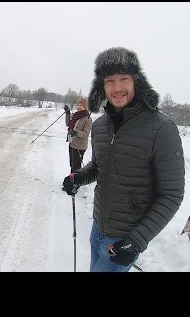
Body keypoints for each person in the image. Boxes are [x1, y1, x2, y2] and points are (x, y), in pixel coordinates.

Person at [62, 47, 185, 272]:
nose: (117, 88)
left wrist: (137, 240)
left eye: (124, 79)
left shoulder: (161, 128)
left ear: (136, 81)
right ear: (102, 85)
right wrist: (79, 176)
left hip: (124, 240)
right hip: (97, 229)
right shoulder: (100, 126)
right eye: (110, 80)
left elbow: (171, 195)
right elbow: (98, 166)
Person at [64, 97, 92, 173]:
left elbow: (86, 134)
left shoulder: (87, 118)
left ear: (85, 107)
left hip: (79, 146)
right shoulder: (76, 115)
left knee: (76, 166)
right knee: (72, 164)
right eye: (78, 105)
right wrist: (67, 113)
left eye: (81, 105)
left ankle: (74, 183)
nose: (79, 107)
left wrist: (76, 133)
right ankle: (72, 179)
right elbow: (68, 124)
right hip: (72, 142)